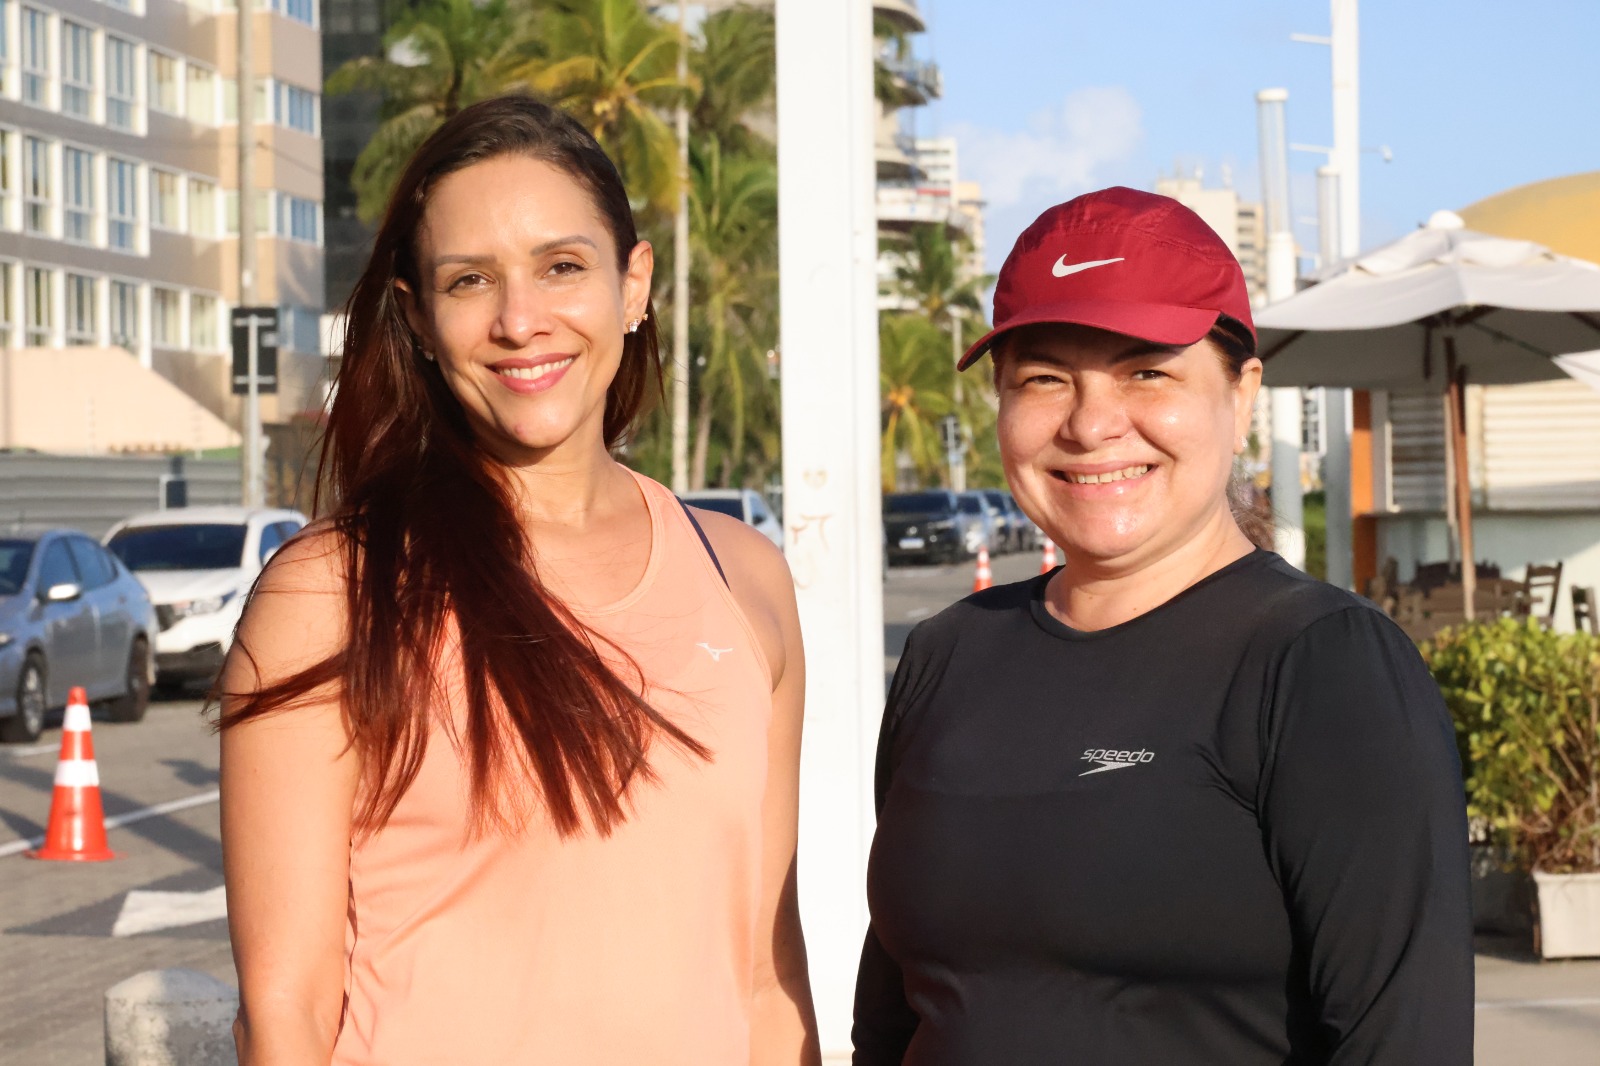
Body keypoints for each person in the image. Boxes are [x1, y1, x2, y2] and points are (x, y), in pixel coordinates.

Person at [219, 96, 818, 1065]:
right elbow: (284, 1008)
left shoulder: (745, 580)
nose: (519, 319)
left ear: (634, 285)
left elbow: (762, 976)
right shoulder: (327, 596)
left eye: (561, 267)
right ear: (417, 318)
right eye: (470, 281)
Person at [852, 187, 1473, 1064]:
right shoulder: (946, 655)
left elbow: (1402, 1040)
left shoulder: (1320, 665)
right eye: (1045, 377)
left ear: (1241, 391)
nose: (1092, 423)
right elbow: (893, 1015)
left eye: (1147, 370)